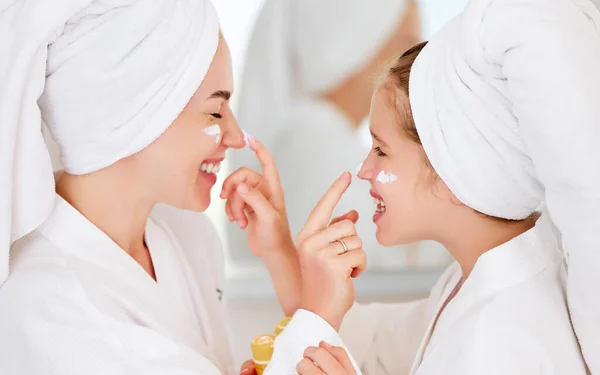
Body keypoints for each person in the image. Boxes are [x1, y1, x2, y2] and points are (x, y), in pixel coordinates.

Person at [0, 1, 366, 374]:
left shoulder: (189, 237)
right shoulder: (47, 304)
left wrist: (280, 255)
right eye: (215, 111)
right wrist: (318, 315)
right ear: (134, 115)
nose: (236, 137)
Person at [258, 0, 600, 373]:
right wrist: (279, 251)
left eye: (381, 150)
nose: (364, 170)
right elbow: (374, 341)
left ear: (454, 171)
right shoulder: (473, 284)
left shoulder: (497, 343)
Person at [228, 0, 423, 268]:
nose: (416, 70)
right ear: (353, 45)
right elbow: (368, 283)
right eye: (405, 45)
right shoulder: (323, 151)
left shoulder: (310, 139)